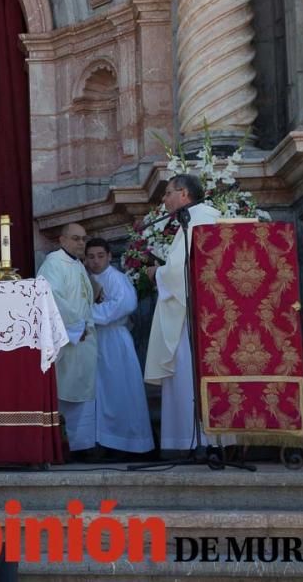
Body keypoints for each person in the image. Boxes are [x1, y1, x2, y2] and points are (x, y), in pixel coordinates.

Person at [144, 174, 233, 451]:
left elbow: (179, 272)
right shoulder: (205, 217)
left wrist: (155, 273)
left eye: (168, 193)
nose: (164, 199)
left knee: (187, 373)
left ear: (183, 194)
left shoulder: (196, 220)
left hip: (193, 316)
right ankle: (208, 440)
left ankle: (197, 442)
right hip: (208, 312)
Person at [81, 238, 154, 455]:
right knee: (100, 393)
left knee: (121, 391)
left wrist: (86, 315)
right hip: (93, 340)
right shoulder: (83, 278)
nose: (96, 261)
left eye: (100, 256)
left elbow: (125, 304)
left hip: (114, 340)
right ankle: (101, 442)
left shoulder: (117, 278)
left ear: (109, 256)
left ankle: (129, 444)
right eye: (91, 257)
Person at [36, 223, 99, 454]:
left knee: (83, 393)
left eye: (83, 239)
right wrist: (75, 326)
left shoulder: (78, 265)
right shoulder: (54, 263)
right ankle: (67, 445)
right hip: (69, 339)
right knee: (65, 392)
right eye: (75, 239)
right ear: (62, 240)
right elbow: (51, 298)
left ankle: (84, 445)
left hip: (84, 339)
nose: (81, 243)